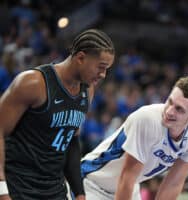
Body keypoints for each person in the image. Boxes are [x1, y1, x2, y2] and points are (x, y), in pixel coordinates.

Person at [0, 29, 115, 200]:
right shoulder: (33, 83)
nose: (103, 74)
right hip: (17, 185)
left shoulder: (87, 90)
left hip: (53, 188)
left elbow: (71, 141)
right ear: (81, 58)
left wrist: (80, 193)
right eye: (101, 67)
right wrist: (2, 190)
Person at [80, 76, 188, 200]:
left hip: (131, 189)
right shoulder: (148, 119)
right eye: (170, 101)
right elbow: (127, 177)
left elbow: (174, 182)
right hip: (92, 184)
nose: (169, 111)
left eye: (179, 109)